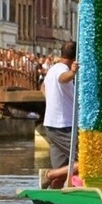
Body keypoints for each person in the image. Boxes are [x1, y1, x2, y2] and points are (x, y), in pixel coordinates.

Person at [40, 41, 78, 189]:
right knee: (87, 162)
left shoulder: (52, 69)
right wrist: (73, 73)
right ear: (75, 58)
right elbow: (63, 79)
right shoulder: (62, 71)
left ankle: (51, 199)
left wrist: (52, 102)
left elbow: (43, 87)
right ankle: (48, 175)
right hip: (64, 126)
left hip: (51, 126)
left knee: (61, 172)